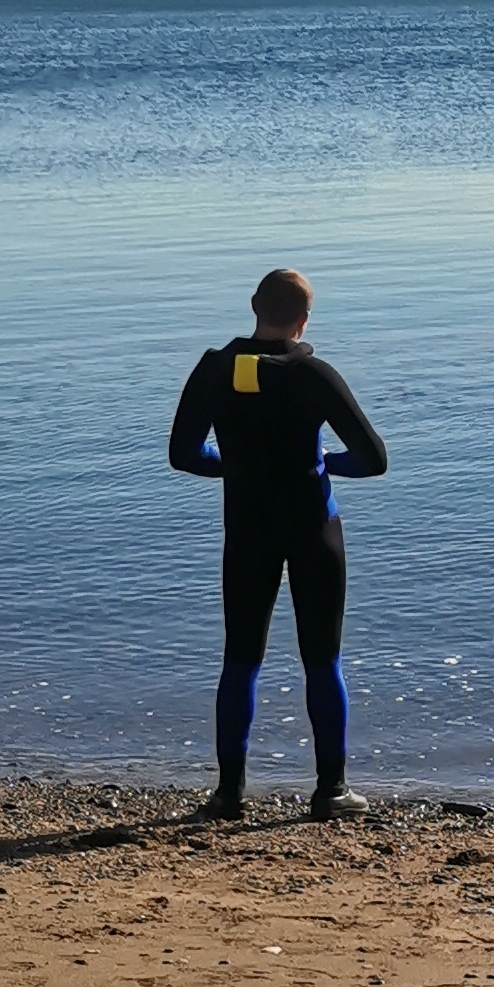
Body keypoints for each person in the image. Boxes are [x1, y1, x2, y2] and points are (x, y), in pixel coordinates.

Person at [168, 267, 387, 823]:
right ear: (304, 321)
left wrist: (241, 468)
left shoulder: (216, 369)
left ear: (252, 306)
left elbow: (183, 455)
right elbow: (374, 459)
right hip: (315, 530)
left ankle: (227, 794)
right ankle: (331, 791)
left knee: (240, 659)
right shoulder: (315, 374)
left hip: (247, 531)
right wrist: (318, 464)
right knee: (322, 660)